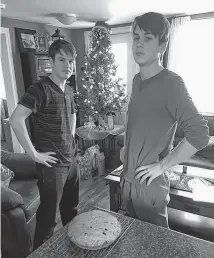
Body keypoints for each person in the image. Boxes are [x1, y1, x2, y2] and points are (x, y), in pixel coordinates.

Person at [120, 12, 210, 228]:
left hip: (149, 188)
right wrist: (126, 147)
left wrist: (162, 166)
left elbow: (200, 134)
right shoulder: (136, 80)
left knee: (156, 247)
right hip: (128, 182)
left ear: (163, 45)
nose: (139, 44)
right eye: (136, 37)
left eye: (148, 38)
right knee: (132, 244)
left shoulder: (171, 84)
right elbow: (138, 123)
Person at [10, 39, 79, 249]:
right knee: (48, 219)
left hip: (72, 161)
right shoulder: (39, 89)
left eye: (70, 60)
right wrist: (34, 154)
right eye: (61, 60)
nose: (67, 65)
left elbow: (73, 113)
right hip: (52, 166)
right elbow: (15, 119)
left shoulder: (68, 90)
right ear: (51, 61)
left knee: (72, 212)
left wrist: (71, 137)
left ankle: (72, 249)